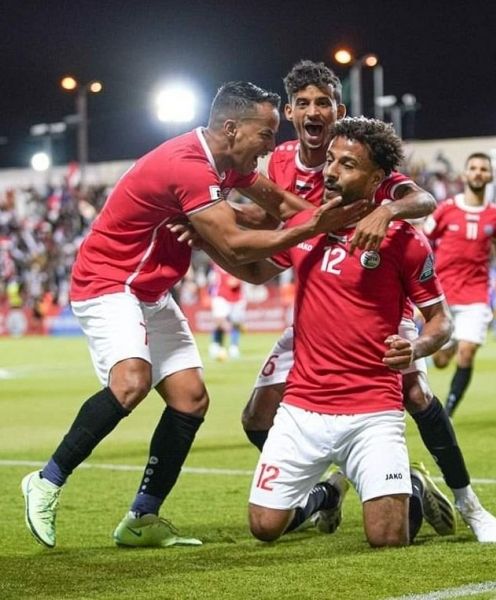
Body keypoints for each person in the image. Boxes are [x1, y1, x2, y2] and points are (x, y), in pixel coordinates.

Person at [20, 81, 369, 550]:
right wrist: (314, 227)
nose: (270, 147)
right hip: (109, 281)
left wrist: (350, 227)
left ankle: (142, 517)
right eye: (265, 134)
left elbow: (284, 205)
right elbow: (236, 246)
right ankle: (46, 480)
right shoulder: (188, 166)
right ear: (232, 129)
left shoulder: (228, 163)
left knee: (190, 399)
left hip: (150, 290)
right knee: (130, 382)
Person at [238, 62, 496, 543]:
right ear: (290, 113)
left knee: (416, 394)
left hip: (380, 314)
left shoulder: (370, 166)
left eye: (323, 103)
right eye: (303, 103)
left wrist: (385, 210)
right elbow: (269, 218)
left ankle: (463, 500)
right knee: (257, 415)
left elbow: (422, 200)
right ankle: (328, 487)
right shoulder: (279, 161)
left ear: (338, 110)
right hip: (316, 304)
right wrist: (207, 224)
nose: (313, 112)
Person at [236, 117, 454, 547]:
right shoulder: (307, 224)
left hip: (373, 408)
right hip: (302, 408)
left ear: (377, 178)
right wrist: (201, 237)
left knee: (387, 538)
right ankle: (332, 491)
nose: (331, 171)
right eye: (331, 160)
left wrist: (417, 347)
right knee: (263, 526)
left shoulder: (405, 241)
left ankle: (407, 484)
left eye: (347, 165)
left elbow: (441, 321)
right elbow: (256, 269)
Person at [425, 152, 496, 418]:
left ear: (490, 176)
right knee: (440, 361)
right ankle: (451, 343)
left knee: (467, 353)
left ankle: (448, 412)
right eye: (474, 168)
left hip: (477, 293)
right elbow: (422, 239)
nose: (478, 173)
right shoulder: (446, 209)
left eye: (483, 169)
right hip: (443, 294)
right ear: (465, 174)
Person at [208, 262, 246, 360]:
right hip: (221, 296)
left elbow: (234, 282)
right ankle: (215, 345)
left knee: (236, 323)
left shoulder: (239, 263)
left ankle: (234, 347)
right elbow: (231, 282)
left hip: (237, 299)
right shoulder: (217, 263)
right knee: (219, 322)